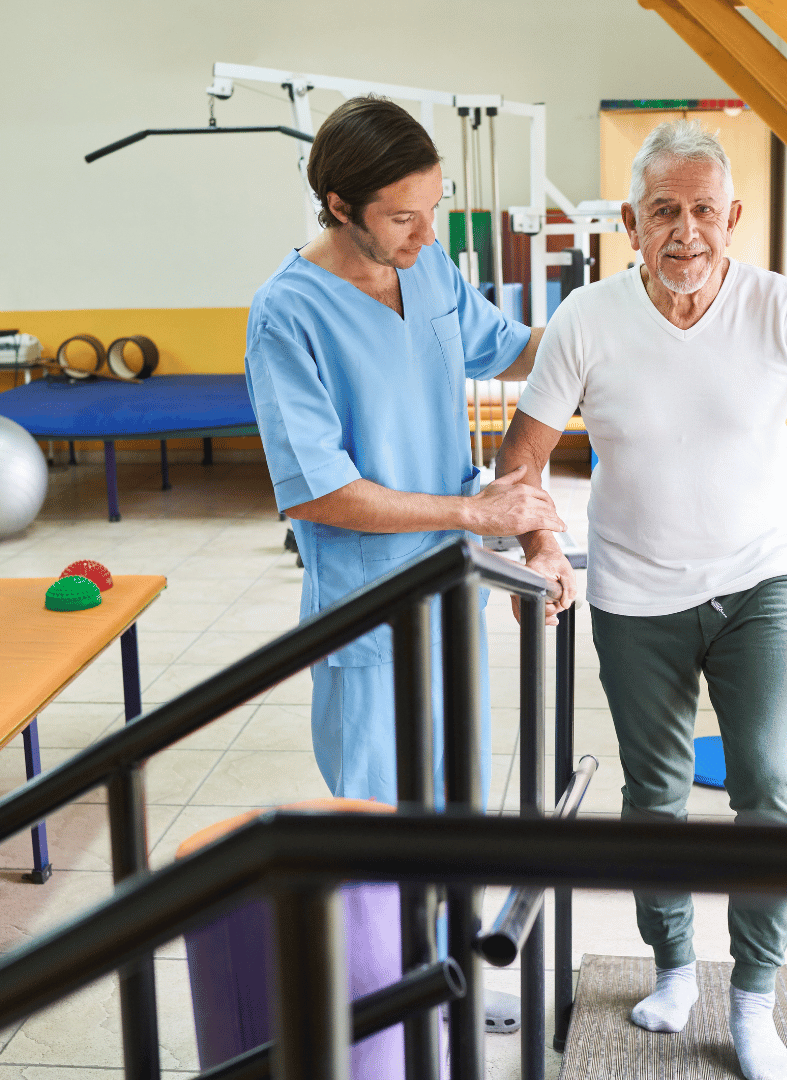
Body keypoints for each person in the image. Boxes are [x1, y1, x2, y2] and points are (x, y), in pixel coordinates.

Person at [496, 119, 787, 1080]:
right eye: (663, 211)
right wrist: (543, 545)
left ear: (735, 218)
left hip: (760, 579)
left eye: (703, 211)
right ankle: (674, 967)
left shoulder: (778, 306)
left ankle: (754, 1001)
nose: (685, 232)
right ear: (631, 221)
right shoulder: (588, 317)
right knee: (654, 799)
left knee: (767, 784)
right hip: (632, 591)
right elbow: (523, 458)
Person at [244, 94, 564, 807]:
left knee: (460, 812)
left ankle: (456, 926)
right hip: (369, 611)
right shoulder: (286, 313)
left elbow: (513, 351)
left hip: (453, 592)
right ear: (339, 205)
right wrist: (477, 513)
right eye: (401, 218)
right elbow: (318, 489)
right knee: (383, 823)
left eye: (434, 208)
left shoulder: (428, 267)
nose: (426, 233)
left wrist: (612, 330)